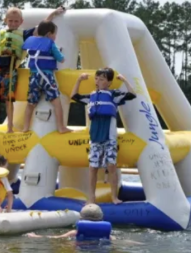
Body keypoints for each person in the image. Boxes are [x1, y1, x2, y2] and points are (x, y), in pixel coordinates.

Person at [0, 7, 66, 134]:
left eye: (16, 21)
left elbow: (42, 26)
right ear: (5, 20)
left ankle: (10, 128)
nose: (13, 23)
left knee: (9, 100)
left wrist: (54, 13)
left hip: (10, 69)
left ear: (21, 22)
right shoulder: (1, 34)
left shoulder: (23, 34)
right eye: (10, 21)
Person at [71, 68, 136, 204]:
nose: (98, 81)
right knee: (93, 168)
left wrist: (124, 80)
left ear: (109, 82)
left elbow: (132, 94)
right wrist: (78, 80)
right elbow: (74, 96)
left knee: (111, 166)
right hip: (95, 138)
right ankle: (91, 198)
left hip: (110, 138)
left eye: (102, 79)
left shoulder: (114, 95)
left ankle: (114, 197)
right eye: (97, 78)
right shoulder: (91, 96)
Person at [21, 20, 72, 134]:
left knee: (30, 104)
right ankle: (61, 127)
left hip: (34, 77)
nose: (55, 37)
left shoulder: (32, 43)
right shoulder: (51, 44)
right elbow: (61, 59)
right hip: (47, 77)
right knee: (57, 102)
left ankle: (25, 128)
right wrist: (60, 53)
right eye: (55, 34)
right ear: (49, 34)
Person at [26, 203, 115, 239]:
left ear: (81, 219)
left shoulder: (74, 233)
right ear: (101, 219)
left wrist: (35, 236)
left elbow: (56, 238)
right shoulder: (107, 235)